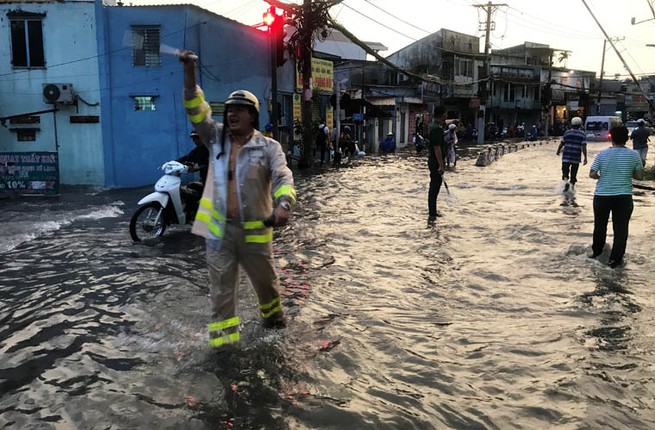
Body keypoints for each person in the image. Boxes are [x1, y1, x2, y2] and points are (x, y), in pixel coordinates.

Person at [179, 50, 297, 349]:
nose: (232, 113)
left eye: (240, 110)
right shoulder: (214, 138)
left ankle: (274, 328)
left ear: (253, 116)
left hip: (256, 232)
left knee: (268, 290)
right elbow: (196, 109)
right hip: (219, 232)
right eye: (229, 109)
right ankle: (224, 350)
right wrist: (190, 71)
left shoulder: (269, 147)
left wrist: (283, 206)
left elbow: (284, 177)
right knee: (221, 294)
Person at [589, 125, 644, 269]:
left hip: (602, 196)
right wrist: (626, 173)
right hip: (623, 197)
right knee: (621, 229)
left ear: (611, 138)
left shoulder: (602, 154)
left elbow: (592, 174)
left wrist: (603, 176)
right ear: (627, 139)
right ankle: (614, 261)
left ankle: (596, 254)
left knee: (600, 226)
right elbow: (639, 176)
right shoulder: (634, 155)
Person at [427, 105, 448, 222]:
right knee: (434, 188)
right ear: (443, 114)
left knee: (435, 188)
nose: (447, 115)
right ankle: (432, 213)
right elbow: (437, 148)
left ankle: (433, 212)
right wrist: (441, 165)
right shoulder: (436, 129)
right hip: (435, 162)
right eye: (446, 113)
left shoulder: (436, 125)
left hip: (434, 161)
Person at [555, 116, 587, 190]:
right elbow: (584, 147)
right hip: (576, 158)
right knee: (573, 174)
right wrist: (585, 157)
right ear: (580, 125)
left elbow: (562, 143)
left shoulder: (567, 132)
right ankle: (572, 188)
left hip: (566, 157)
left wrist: (558, 151)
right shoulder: (582, 134)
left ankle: (566, 181)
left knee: (565, 171)